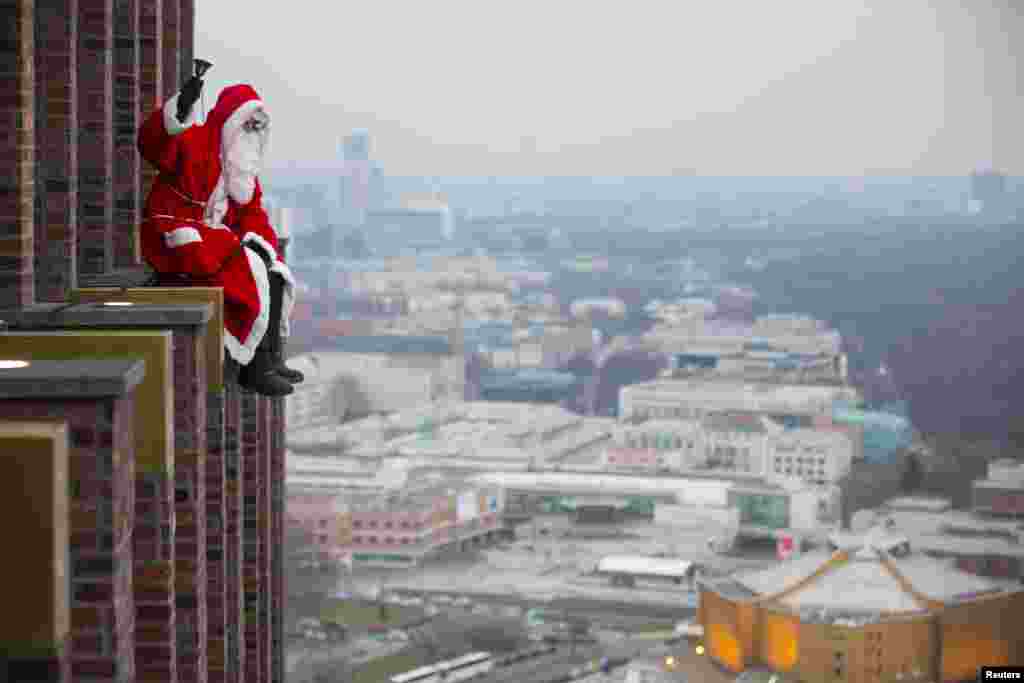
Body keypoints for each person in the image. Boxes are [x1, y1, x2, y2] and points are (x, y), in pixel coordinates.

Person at [137, 70, 304, 396]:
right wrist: (182, 106)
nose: (252, 134)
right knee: (245, 265)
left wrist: (266, 247)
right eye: (247, 125)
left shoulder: (241, 171)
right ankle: (253, 368)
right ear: (232, 122)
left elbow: (253, 214)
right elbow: (153, 144)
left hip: (212, 236)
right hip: (175, 230)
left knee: (273, 270)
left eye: (257, 128)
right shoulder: (195, 141)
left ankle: (268, 357)